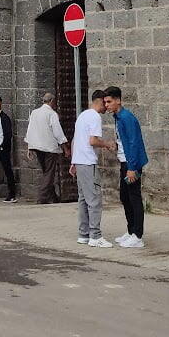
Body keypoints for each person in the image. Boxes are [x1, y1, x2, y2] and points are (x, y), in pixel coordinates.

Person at [103, 86, 148, 248]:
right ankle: (131, 231)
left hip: (130, 163)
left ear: (118, 101)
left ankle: (138, 235)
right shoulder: (118, 117)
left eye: (109, 101)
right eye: (105, 102)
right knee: (125, 197)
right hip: (125, 161)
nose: (106, 105)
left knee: (134, 197)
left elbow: (134, 143)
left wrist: (132, 167)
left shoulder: (127, 118)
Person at [70, 89, 112, 246]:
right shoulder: (95, 117)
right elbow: (92, 141)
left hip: (80, 161)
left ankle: (84, 233)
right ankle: (95, 236)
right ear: (100, 101)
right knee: (94, 199)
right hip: (88, 162)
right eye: (105, 102)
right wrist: (107, 144)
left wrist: (73, 162)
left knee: (83, 199)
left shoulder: (82, 115)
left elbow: (75, 140)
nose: (106, 107)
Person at [24, 92, 68, 203]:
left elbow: (30, 129)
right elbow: (58, 132)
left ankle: (53, 197)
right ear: (52, 101)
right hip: (49, 148)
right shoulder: (52, 114)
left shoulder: (34, 113)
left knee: (46, 172)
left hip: (37, 147)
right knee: (49, 173)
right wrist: (65, 148)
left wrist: (29, 147)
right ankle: (42, 198)